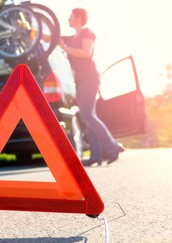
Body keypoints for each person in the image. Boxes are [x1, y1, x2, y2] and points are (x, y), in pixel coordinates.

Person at [59, 8, 123, 166]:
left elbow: (86, 53)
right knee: (88, 115)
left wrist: (66, 48)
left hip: (90, 78)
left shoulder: (87, 33)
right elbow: (50, 36)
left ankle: (113, 146)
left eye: (70, 16)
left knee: (87, 115)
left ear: (78, 18)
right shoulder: (70, 37)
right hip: (80, 81)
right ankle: (96, 155)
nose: (68, 19)